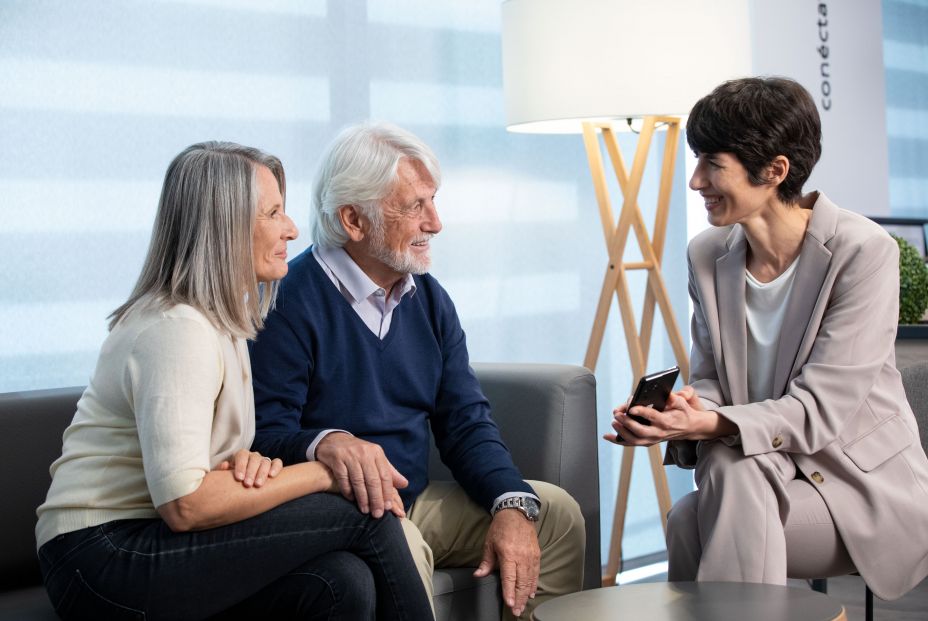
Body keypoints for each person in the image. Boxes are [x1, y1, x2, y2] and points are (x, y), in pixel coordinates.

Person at [35, 142, 434, 621]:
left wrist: (244, 463)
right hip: (100, 558)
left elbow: (194, 470)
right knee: (362, 512)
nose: (291, 228)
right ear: (223, 227)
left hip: (148, 539)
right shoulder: (176, 328)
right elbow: (185, 504)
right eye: (272, 213)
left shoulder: (223, 322)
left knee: (340, 581)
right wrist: (324, 475)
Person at [605, 77, 928, 601]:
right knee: (703, 502)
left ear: (775, 171)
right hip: (759, 471)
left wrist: (710, 422)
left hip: (853, 487)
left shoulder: (863, 252)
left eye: (712, 163)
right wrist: (680, 412)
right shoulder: (707, 255)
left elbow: (822, 408)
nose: (695, 181)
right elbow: (711, 379)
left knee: (708, 499)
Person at [248, 122, 586, 620]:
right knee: (401, 543)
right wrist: (329, 441)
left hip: (415, 499)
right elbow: (262, 436)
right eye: (415, 206)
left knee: (555, 513)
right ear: (353, 220)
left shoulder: (428, 299)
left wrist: (510, 502)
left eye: (434, 200)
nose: (436, 222)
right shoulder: (287, 302)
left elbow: (466, 421)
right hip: (342, 511)